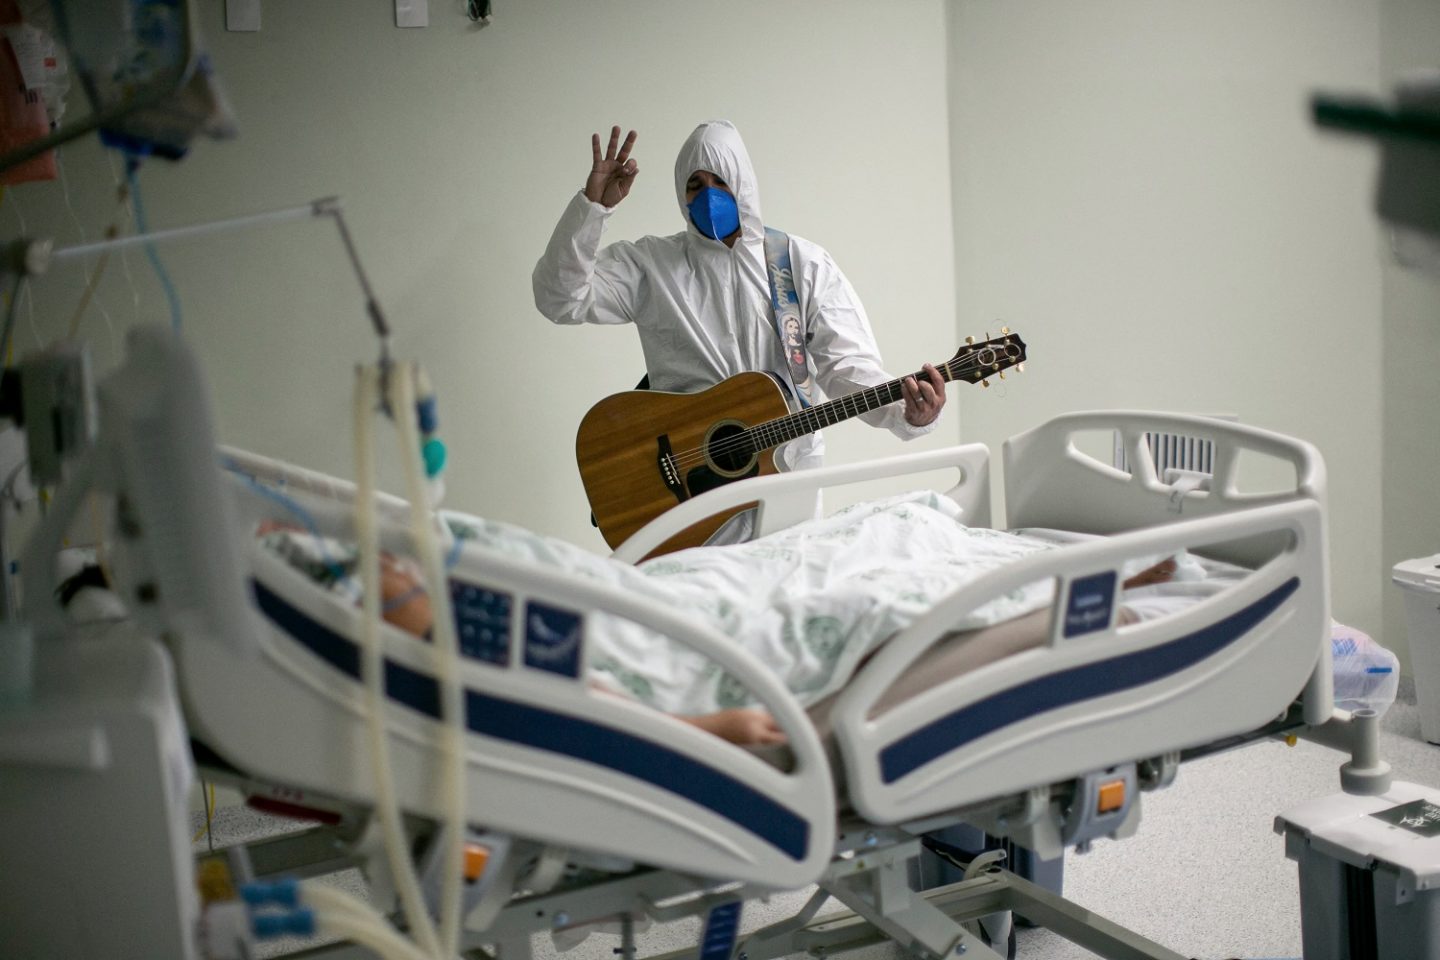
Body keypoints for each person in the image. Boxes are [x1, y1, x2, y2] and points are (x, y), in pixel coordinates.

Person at [532, 121, 947, 487]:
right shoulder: (651, 266)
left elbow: (846, 369)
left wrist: (909, 413)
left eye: (720, 182)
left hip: (787, 478)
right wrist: (593, 209)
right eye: (695, 185)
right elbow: (560, 298)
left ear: (743, 185)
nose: (708, 196)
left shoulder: (802, 264)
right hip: (685, 486)